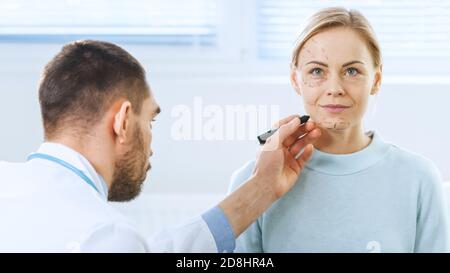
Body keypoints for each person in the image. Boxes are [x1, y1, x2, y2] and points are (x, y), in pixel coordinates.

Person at [0, 40, 321, 252]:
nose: (151, 146)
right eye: (149, 121)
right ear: (123, 121)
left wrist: (262, 187)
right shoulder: (104, 235)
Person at [229, 7, 449, 253]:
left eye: (352, 71)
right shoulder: (252, 182)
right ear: (295, 80)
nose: (335, 88)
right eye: (317, 71)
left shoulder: (419, 179)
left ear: (376, 79)